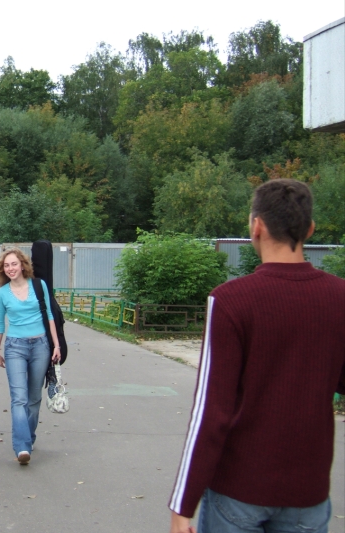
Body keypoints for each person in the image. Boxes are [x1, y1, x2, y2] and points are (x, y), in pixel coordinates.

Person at [168, 179, 345, 533]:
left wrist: (182, 504)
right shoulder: (338, 297)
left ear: (257, 226)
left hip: (237, 491)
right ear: (310, 229)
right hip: (308, 493)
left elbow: (211, 411)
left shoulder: (230, 301)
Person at [0, 247, 61, 465]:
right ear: (3, 270)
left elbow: (50, 316)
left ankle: (29, 437)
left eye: (14, 264)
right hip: (15, 347)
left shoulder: (39, 285)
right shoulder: (2, 294)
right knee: (19, 398)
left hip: (41, 345)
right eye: (6, 265)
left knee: (34, 398)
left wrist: (56, 345)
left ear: (22, 265)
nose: (10, 268)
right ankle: (22, 446)